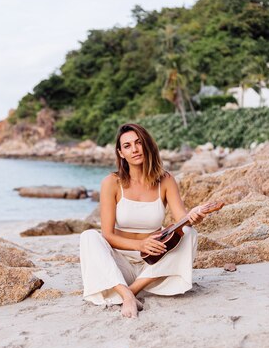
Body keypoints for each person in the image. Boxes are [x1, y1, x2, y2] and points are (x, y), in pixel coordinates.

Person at [79, 123, 209, 318]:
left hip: (153, 267)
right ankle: (127, 295)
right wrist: (140, 244)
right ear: (121, 153)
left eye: (138, 143)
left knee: (190, 233)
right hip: (120, 264)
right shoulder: (111, 183)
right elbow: (107, 234)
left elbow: (182, 220)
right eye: (128, 146)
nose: (135, 149)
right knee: (89, 236)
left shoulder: (165, 180)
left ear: (146, 145)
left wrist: (194, 216)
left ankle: (133, 290)